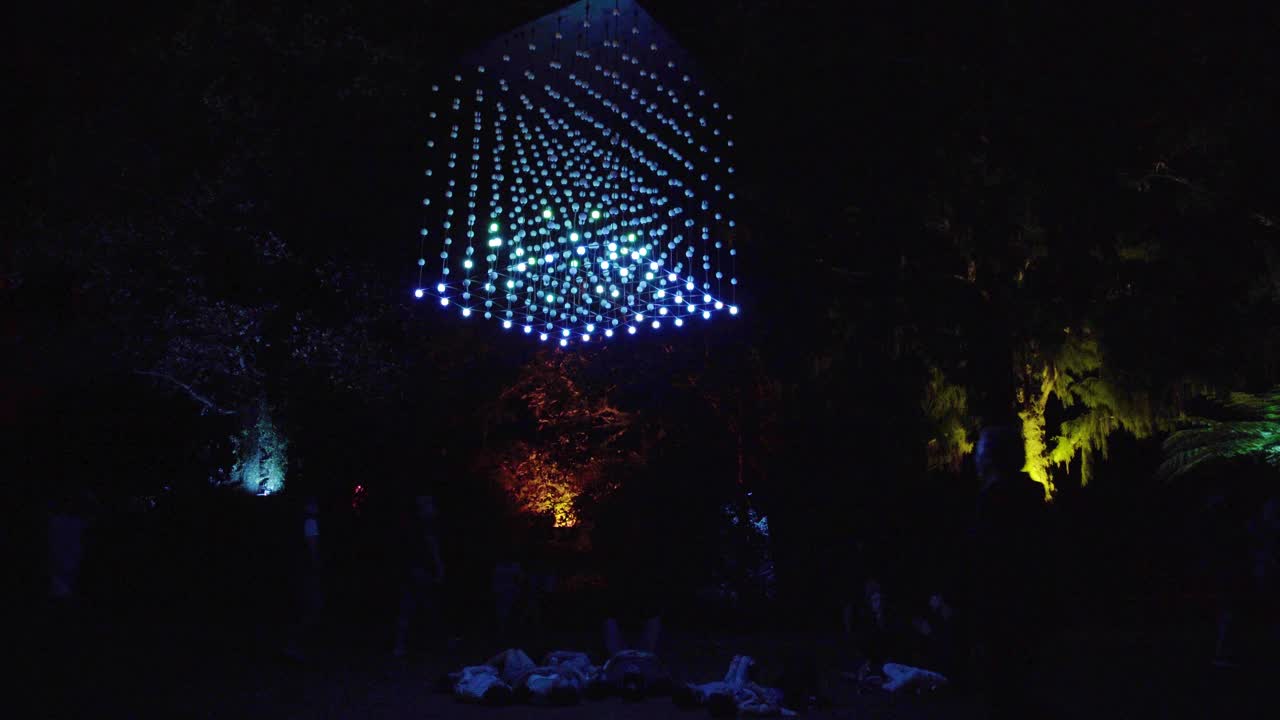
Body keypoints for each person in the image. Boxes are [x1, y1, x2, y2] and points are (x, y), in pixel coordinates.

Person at [970, 426, 1049, 719]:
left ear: (990, 459)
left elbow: (983, 558)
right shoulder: (1031, 500)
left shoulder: (993, 503)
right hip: (1029, 608)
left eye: (980, 453)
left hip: (1003, 608)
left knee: (1005, 688)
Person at [393, 493, 446, 658]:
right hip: (421, 571)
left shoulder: (409, 525)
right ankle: (431, 645)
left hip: (410, 571)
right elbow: (432, 547)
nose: (434, 509)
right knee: (427, 606)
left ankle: (402, 646)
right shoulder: (425, 525)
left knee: (408, 608)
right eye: (430, 505)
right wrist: (439, 568)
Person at [283, 495, 324, 661]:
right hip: (308, 571)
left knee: (307, 607)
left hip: (302, 570)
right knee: (312, 607)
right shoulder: (310, 522)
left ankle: (296, 644)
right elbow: (312, 548)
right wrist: (316, 566)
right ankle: (295, 644)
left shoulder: (302, 522)